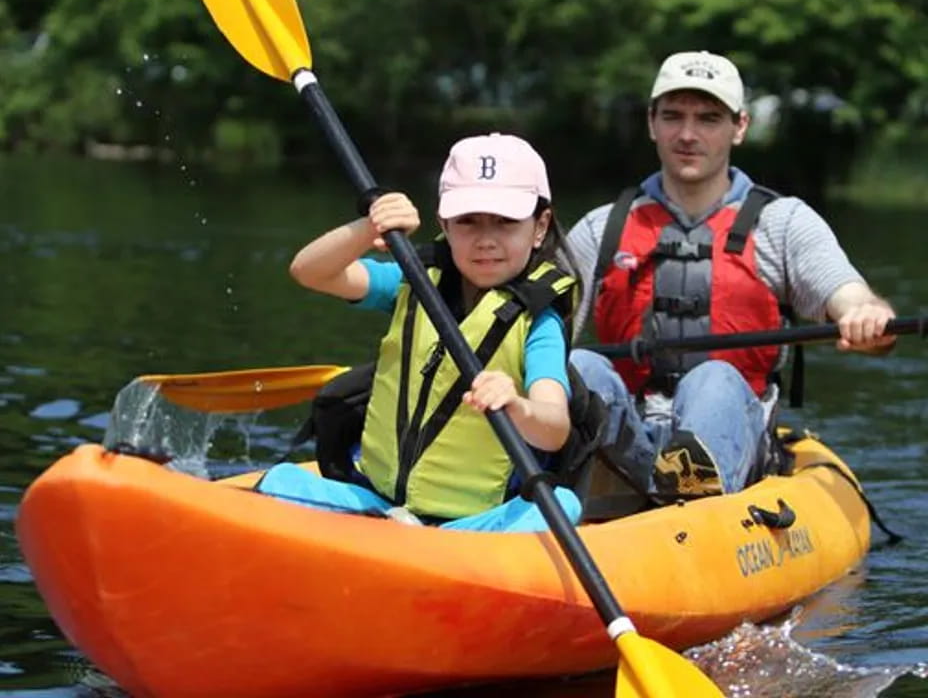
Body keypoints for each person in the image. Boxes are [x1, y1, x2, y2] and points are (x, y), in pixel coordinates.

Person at [567, 50, 896, 500]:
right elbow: (538, 327)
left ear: (739, 127)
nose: (687, 134)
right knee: (578, 366)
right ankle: (579, 501)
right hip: (628, 435)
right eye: (673, 116)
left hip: (735, 434)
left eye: (708, 118)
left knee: (712, 378)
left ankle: (694, 497)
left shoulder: (782, 223)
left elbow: (847, 292)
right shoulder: (604, 227)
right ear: (651, 123)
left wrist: (864, 314)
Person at [257, 132, 584, 532]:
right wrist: (369, 226)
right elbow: (310, 272)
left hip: (473, 522)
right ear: (444, 222)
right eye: (467, 221)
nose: (485, 240)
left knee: (561, 505)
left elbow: (553, 429)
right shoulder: (413, 279)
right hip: (379, 502)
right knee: (279, 480)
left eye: (505, 222)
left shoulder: (540, 319)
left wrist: (517, 406)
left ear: (539, 226)